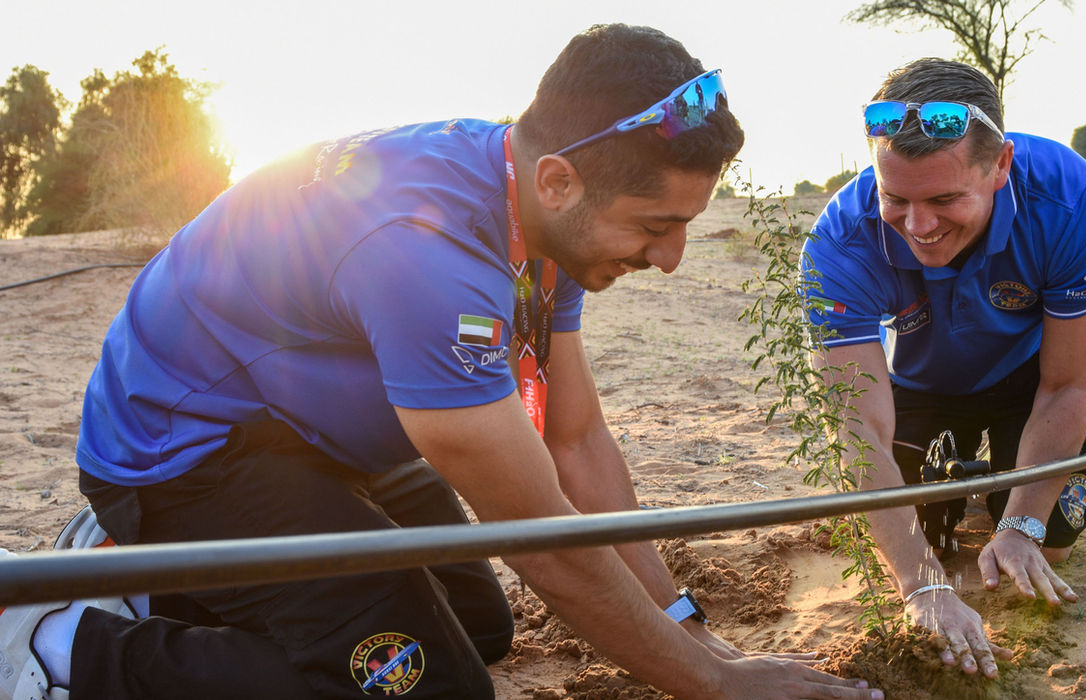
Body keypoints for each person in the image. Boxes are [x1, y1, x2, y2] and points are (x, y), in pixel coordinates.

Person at [0, 24, 884, 700]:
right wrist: (719, 686)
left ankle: (168, 589)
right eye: (657, 228)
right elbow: (545, 544)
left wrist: (692, 627)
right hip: (188, 454)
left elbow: (575, 444)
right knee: (424, 686)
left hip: (322, 436)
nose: (670, 259)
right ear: (559, 182)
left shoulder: (545, 213)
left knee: (477, 626)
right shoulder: (427, 253)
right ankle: (65, 644)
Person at [800, 58, 1086, 680]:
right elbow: (858, 429)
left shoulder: (1075, 201)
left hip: (1033, 379)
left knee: (1045, 545)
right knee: (910, 550)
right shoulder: (838, 242)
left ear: (1000, 165)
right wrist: (922, 585)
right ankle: (968, 494)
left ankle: (1004, 494)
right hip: (918, 382)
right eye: (894, 198)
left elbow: (1067, 384)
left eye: (946, 199)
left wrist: (1023, 524)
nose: (919, 227)